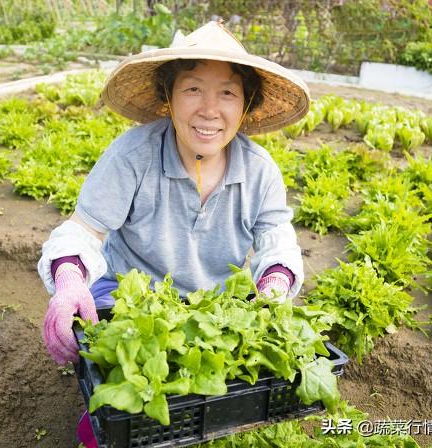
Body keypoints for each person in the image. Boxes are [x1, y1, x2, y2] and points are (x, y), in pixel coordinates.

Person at [37, 19, 309, 447]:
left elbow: (279, 240)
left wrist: (274, 283)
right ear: (168, 96)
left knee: (216, 393)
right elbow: (83, 230)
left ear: (246, 105)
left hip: (215, 305)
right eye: (193, 89)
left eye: (227, 93)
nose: (209, 109)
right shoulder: (133, 155)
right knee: (119, 391)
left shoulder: (260, 171)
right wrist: (69, 279)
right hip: (130, 294)